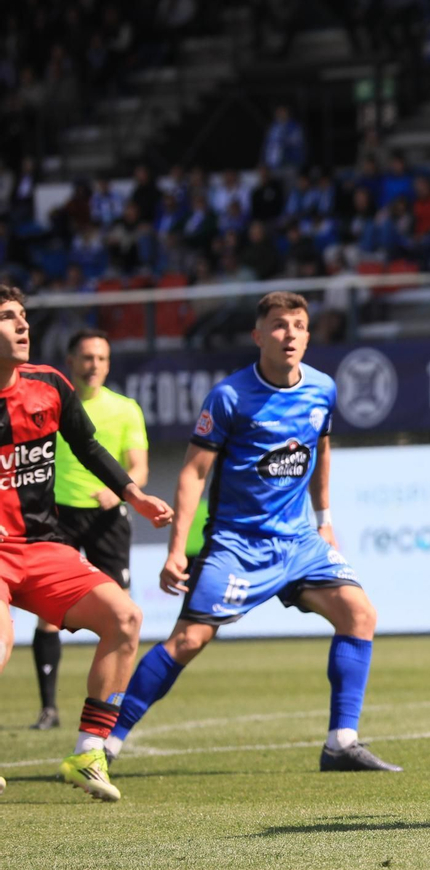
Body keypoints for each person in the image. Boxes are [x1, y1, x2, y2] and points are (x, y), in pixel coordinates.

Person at [105, 293, 401, 773]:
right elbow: (192, 474)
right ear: (258, 336)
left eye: (299, 326)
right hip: (237, 544)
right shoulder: (229, 397)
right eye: (280, 326)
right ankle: (108, 741)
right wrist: (176, 550)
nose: (290, 335)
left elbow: (320, 450)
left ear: (308, 334)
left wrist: (323, 517)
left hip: (299, 541)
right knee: (188, 641)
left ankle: (340, 743)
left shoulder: (322, 388)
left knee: (359, 613)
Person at [0, 287, 173, 801]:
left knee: (126, 618)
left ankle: (88, 751)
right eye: (8, 318)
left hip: (42, 546)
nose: (23, 325)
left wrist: (134, 495)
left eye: (25, 317)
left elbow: (88, 445)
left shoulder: (49, 384)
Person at [29, 329, 149, 732]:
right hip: (56, 517)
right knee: (48, 618)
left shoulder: (125, 409)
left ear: (108, 364)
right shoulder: (50, 404)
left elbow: (139, 467)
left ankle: (112, 711)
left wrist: (120, 493)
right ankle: (49, 708)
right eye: (86, 357)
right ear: (70, 362)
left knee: (124, 616)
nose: (93, 364)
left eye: (100, 358)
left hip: (106, 519)